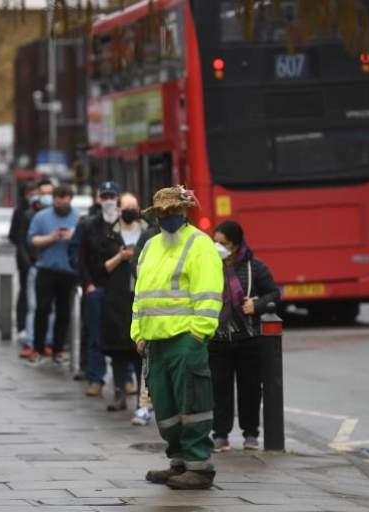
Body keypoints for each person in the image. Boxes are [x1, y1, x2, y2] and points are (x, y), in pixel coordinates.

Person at [132, 186, 223, 490]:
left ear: (184, 211)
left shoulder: (200, 243)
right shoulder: (150, 246)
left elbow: (208, 293)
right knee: (167, 412)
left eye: (173, 211)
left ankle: (200, 468)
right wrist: (138, 333)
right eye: (162, 213)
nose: (168, 217)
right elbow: (141, 295)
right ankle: (179, 463)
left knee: (193, 406)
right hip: (155, 343)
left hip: (186, 339)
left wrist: (198, 333)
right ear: (156, 216)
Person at [209, 221, 280, 452]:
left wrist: (257, 304)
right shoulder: (208, 265)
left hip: (248, 339)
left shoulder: (255, 266)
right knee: (220, 389)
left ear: (236, 244)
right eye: (215, 242)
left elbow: (274, 293)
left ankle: (250, 434)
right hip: (218, 340)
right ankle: (220, 435)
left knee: (250, 388)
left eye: (224, 243)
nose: (218, 247)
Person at [100, 192, 148, 411]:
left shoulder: (149, 234)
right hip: (117, 299)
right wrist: (120, 257)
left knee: (139, 349)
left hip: (142, 298)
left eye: (134, 206)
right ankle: (119, 392)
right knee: (118, 348)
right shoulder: (110, 235)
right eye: (126, 206)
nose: (130, 210)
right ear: (118, 210)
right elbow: (102, 268)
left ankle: (143, 397)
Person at [77, 181, 122, 397]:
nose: (108, 201)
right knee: (95, 335)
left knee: (123, 335)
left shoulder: (125, 224)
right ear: (98, 199)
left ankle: (126, 379)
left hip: (120, 289)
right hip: (96, 286)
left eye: (112, 196)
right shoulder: (88, 225)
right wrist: (88, 285)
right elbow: (81, 258)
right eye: (104, 197)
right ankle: (96, 379)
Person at [27, 185, 80, 366]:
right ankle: (38, 348)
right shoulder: (41, 217)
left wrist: (72, 237)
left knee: (63, 312)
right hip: (46, 270)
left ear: (70, 199)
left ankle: (58, 349)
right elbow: (32, 240)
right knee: (42, 309)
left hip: (68, 272)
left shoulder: (78, 217)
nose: (61, 204)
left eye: (64, 200)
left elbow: (84, 241)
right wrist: (51, 237)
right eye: (58, 200)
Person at [18, 179, 55, 358]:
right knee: (34, 306)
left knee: (51, 308)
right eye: (44, 193)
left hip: (53, 267)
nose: (48, 197)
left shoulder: (57, 215)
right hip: (36, 266)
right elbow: (23, 243)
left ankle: (48, 341)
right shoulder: (30, 214)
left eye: (51, 193)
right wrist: (29, 265)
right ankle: (31, 342)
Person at [8, 181, 40, 341]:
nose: (34, 195)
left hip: (39, 258)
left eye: (36, 192)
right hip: (24, 259)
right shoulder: (20, 211)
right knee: (25, 292)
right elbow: (14, 236)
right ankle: (21, 326)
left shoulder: (40, 210)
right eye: (30, 192)